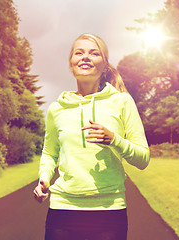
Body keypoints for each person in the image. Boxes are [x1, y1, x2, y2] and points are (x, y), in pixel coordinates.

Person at [34, 33, 150, 240]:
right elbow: (50, 152)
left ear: (104, 65)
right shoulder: (56, 108)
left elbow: (143, 159)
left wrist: (114, 139)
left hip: (109, 212)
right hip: (63, 210)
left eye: (94, 53)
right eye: (79, 52)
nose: (85, 57)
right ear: (71, 63)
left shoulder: (122, 101)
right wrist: (44, 178)